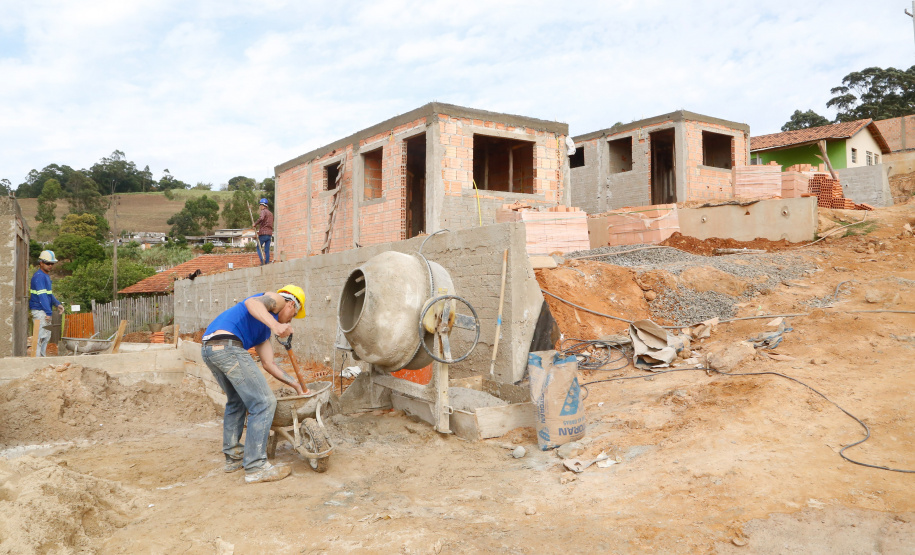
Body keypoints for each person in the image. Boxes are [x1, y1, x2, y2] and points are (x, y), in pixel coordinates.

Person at [201, 284, 307, 484]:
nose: (290, 320)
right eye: (293, 316)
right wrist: (277, 325)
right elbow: (251, 302)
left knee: (237, 401)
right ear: (292, 305)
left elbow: (269, 364)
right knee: (264, 402)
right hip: (227, 346)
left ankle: (233, 458)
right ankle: (256, 467)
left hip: (210, 348)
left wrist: (296, 385)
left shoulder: (262, 331)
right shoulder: (278, 299)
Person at [29, 250, 64, 356]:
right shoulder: (39, 277)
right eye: (47, 263)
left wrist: (57, 304)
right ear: (41, 263)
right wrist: (48, 313)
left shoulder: (45, 276)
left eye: (52, 263)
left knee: (45, 337)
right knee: (40, 338)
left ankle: (42, 360)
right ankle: (36, 362)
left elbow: (48, 294)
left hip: (43, 310)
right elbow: (42, 296)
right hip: (40, 311)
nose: (50, 265)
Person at [253, 198, 274, 265]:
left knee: (258, 247)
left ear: (262, 205)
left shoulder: (263, 211)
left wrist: (255, 224)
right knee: (266, 250)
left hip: (263, 233)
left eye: (260, 205)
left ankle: (262, 262)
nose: (260, 207)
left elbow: (261, 218)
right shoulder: (271, 213)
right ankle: (267, 262)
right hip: (269, 234)